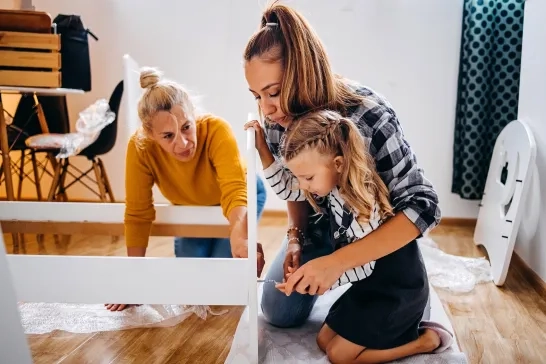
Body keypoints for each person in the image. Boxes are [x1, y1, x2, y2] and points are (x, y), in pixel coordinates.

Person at [243, 3, 440, 330]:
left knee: (383, 304)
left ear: (302, 73)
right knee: (279, 312)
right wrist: (296, 236)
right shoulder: (277, 120)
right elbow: (296, 186)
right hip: (323, 223)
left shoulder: (370, 115)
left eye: (273, 92)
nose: (266, 109)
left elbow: (424, 205)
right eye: (256, 96)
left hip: (374, 226)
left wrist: (338, 262)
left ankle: (406, 296)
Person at [274, 110, 453, 363]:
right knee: (323, 340)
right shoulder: (334, 188)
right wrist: (261, 150)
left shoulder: (361, 206)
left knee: (339, 356)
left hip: (395, 291)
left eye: (308, 178)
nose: (303, 187)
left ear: (337, 164)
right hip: (369, 287)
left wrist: (322, 279)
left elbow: (362, 267)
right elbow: (285, 188)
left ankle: (426, 341)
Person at [106, 67, 267, 311]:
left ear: (194, 115)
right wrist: (134, 279)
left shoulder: (216, 130)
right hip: (191, 205)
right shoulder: (140, 148)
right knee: (195, 283)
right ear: (150, 135)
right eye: (168, 136)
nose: (182, 143)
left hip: (239, 199)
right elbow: (138, 212)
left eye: (186, 128)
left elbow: (235, 190)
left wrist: (239, 235)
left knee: (222, 284)